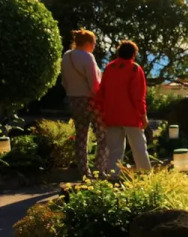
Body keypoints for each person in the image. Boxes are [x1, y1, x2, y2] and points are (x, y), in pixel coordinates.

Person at [97, 40, 151, 175]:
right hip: (131, 116)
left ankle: (113, 176)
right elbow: (138, 96)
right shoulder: (134, 69)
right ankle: (145, 175)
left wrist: (102, 113)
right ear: (133, 54)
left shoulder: (109, 68)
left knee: (114, 150)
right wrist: (143, 115)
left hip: (112, 115)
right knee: (139, 148)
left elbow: (101, 92)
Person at [60, 28, 107, 178]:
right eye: (93, 43)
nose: (94, 46)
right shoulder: (87, 57)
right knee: (103, 135)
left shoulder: (66, 56)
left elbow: (64, 81)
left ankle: (84, 172)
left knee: (81, 136)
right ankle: (99, 170)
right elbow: (94, 84)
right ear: (87, 43)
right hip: (90, 100)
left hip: (73, 99)